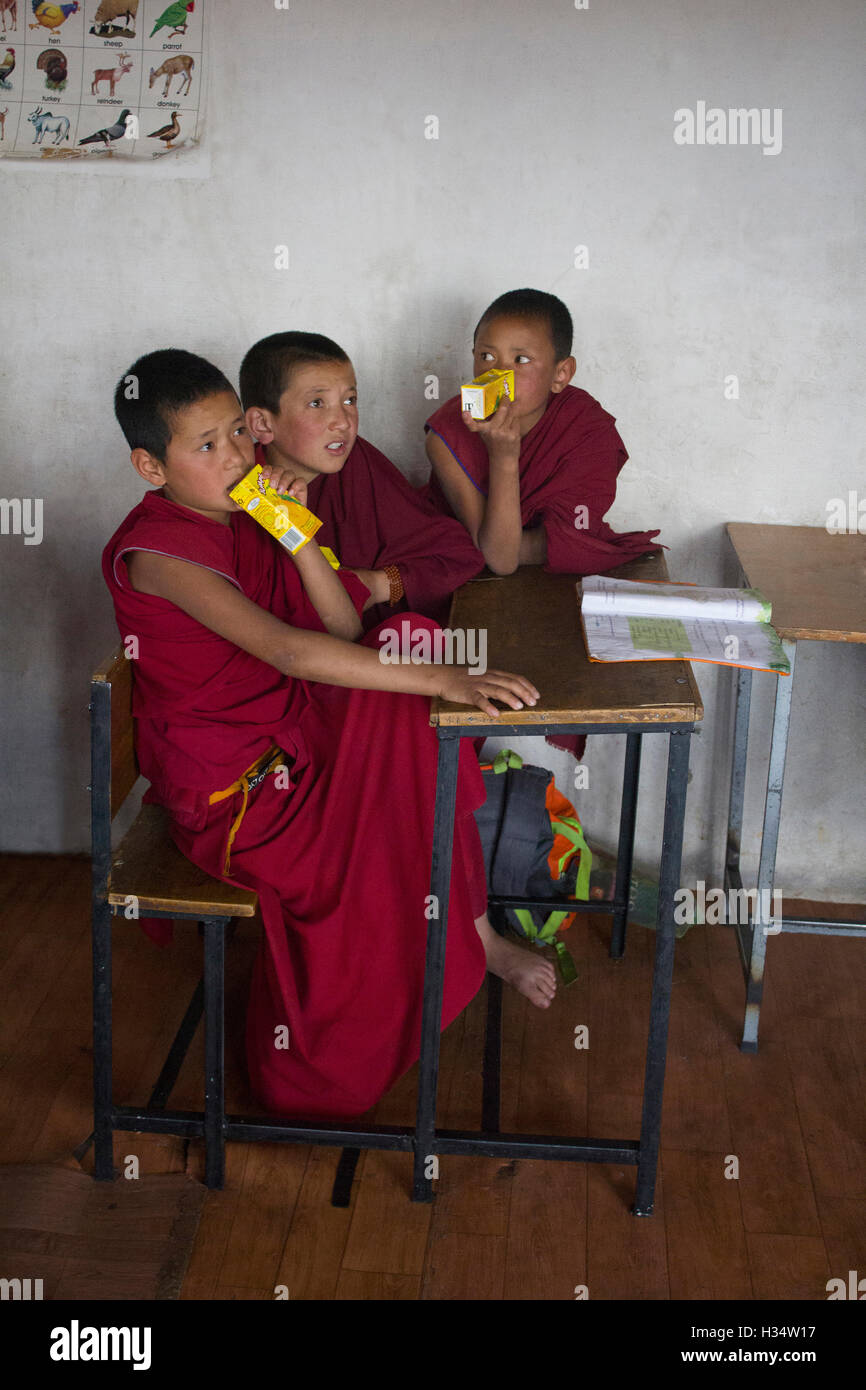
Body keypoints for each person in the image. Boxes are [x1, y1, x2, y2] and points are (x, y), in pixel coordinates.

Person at [102, 349, 555, 1122]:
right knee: (415, 712)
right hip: (240, 800)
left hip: (291, 741)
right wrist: (447, 680)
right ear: (151, 466)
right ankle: (316, 1070)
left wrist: (296, 534)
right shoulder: (160, 555)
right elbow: (286, 650)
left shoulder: (244, 516)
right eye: (205, 447)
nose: (236, 458)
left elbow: (344, 623)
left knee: (408, 640)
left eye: (234, 437)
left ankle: (468, 934)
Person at [239, 331, 485, 628]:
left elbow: (456, 554)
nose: (343, 421)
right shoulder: (246, 494)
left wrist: (377, 584)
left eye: (350, 399)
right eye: (317, 403)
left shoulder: (356, 461)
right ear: (263, 424)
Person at [423, 287, 662, 577]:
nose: (500, 376)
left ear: (561, 374)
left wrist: (499, 542)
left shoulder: (584, 424)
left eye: (521, 360)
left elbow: (573, 531)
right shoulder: (447, 434)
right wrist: (504, 459)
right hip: (457, 576)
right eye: (486, 356)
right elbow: (501, 560)